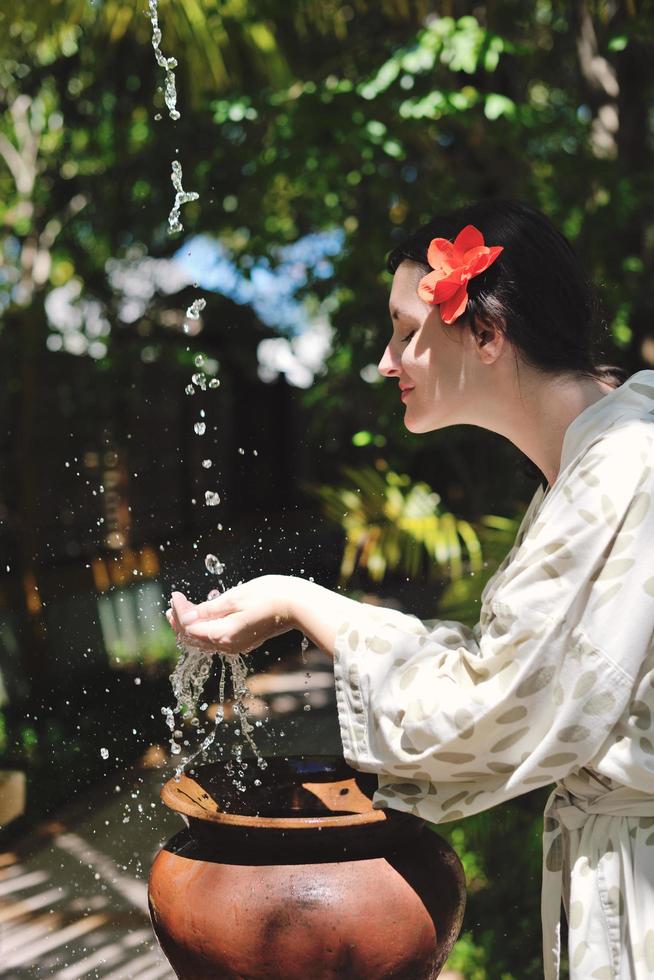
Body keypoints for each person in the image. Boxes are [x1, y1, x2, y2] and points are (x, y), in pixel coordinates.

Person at [167, 200, 654, 980]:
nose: (386, 362)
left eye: (405, 333)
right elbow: (512, 672)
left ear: (487, 335)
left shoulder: (625, 465)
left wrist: (303, 601)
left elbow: (487, 712)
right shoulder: (603, 456)